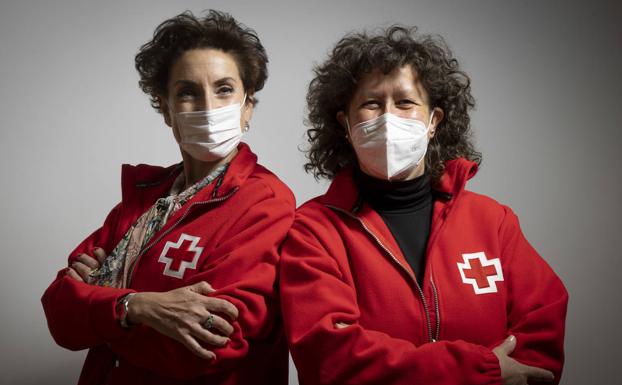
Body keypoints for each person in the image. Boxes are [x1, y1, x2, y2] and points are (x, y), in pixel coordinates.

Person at [280, 26, 568, 385]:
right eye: (371, 103)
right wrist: (477, 371)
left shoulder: (492, 222)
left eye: (405, 102)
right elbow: (333, 357)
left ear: (433, 121)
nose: (388, 117)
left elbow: (542, 325)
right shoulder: (312, 231)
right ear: (346, 123)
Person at [42, 10, 294, 385]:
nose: (209, 106)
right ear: (166, 109)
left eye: (224, 89)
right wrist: (139, 306)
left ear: (248, 107)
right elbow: (60, 314)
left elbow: (211, 345)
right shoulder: (145, 200)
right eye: (188, 92)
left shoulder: (265, 201)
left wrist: (103, 302)